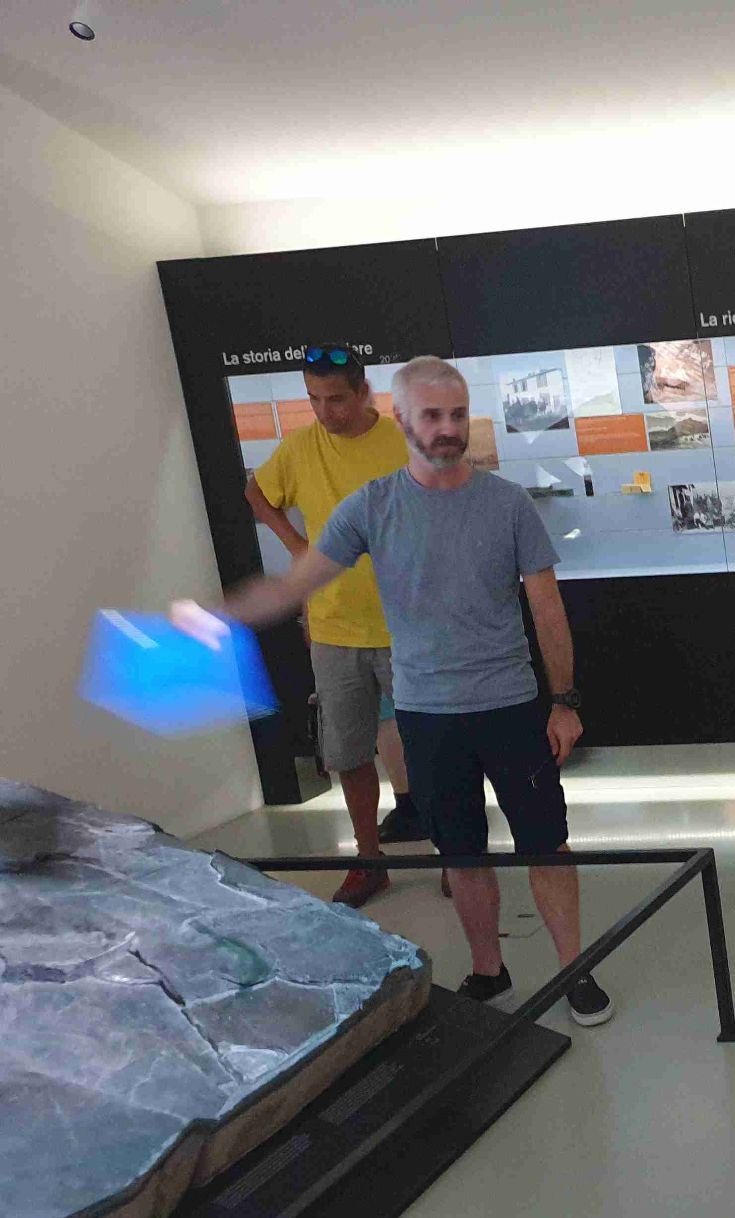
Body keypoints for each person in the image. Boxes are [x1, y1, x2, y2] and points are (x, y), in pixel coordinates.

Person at [177, 357, 612, 1026]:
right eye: (432, 416)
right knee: (461, 852)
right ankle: (489, 970)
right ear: (403, 419)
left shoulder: (507, 504)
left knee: (546, 844)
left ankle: (575, 970)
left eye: (457, 414)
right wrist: (217, 616)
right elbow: (295, 584)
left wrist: (565, 701)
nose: (447, 428)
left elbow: (547, 608)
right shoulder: (372, 506)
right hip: (427, 714)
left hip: (508, 706)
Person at [245, 343, 426, 907]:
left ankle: (456, 857)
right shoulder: (301, 447)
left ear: (363, 392)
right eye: (314, 399)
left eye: (336, 399)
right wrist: (297, 545)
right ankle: (369, 862)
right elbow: (256, 492)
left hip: (409, 626)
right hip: (333, 628)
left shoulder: (403, 441)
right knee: (348, 754)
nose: (326, 412)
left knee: (434, 748)